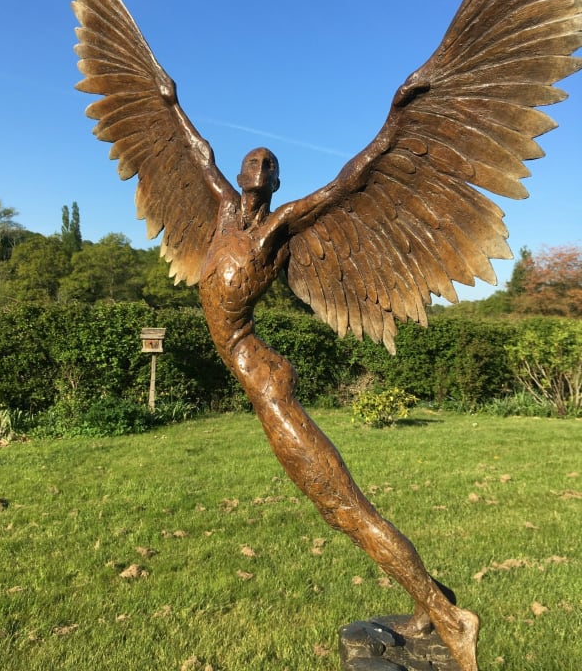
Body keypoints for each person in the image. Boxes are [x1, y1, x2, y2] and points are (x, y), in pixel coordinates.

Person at [199, 147, 480, 671]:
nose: (259, 169)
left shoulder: (279, 226)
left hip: (265, 381)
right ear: (238, 174)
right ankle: (429, 605)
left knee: (345, 510)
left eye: (270, 165)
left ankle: (450, 618)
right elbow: (196, 149)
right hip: (255, 373)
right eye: (253, 162)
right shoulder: (224, 211)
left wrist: (390, 135)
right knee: (344, 510)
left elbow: (345, 184)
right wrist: (165, 101)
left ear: (278, 183)